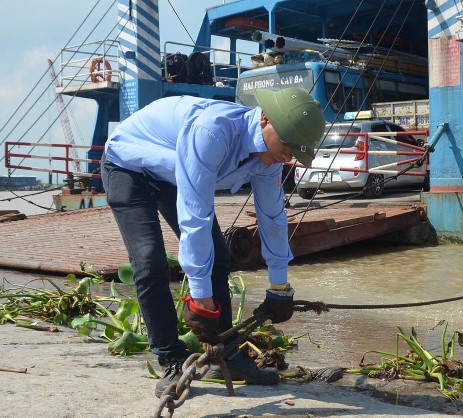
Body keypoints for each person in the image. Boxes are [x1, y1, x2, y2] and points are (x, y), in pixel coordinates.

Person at [100, 87, 325, 397]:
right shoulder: (212, 131)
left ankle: (226, 357)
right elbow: (196, 218)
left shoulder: (269, 159)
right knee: (149, 260)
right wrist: (201, 297)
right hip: (128, 166)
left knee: (219, 256)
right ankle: (171, 359)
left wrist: (279, 286)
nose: (289, 156)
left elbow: (273, 217)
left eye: (296, 152)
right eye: (287, 145)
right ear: (264, 119)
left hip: (172, 173)